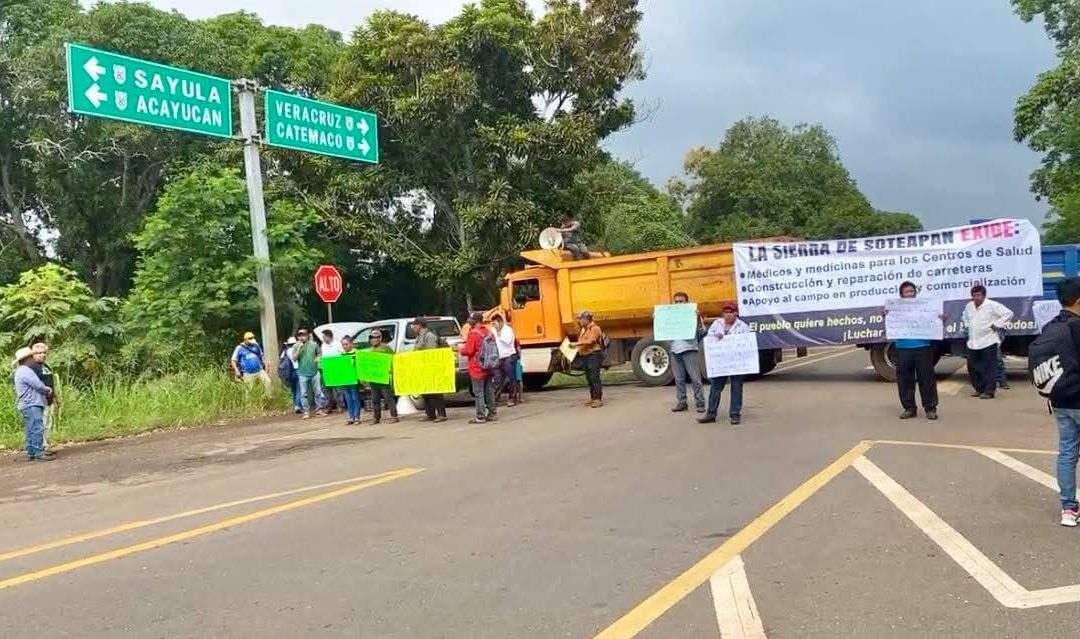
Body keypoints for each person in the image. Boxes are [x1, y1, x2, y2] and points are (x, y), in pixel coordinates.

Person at [1030, 277, 1080, 526]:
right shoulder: (1077, 327)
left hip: (1060, 401)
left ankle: (1068, 508)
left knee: (1067, 452)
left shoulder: (1051, 326)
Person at [889, 281, 940, 421]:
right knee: (905, 380)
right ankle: (909, 408)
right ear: (901, 294)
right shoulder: (895, 308)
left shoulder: (924, 307)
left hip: (923, 347)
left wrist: (940, 319)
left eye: (912, 291)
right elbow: (889, 321)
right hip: (903, 348)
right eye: (907, 292)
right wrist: (885, 314)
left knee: (927, 379)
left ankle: (930, 408)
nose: (910, 294)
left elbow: (934, 320)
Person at [698, 303, 750, 425]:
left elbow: (747, 343)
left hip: (736, 363)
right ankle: (711, 413)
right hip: (720, 363)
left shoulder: (742, 326)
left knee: (736, 387)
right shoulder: (717, 324)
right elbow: (708, 339)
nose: (728, 315)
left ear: (735, 314)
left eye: (730, 312)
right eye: (726, 312)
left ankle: (735, 414)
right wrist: (716, 337)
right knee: (716, 387)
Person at [962, 285, 1014, 399]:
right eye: (974, 295)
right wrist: (967, 325)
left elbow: (1008, 313)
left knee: (989, 367)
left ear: (984, 295)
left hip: (988, 340)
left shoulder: (992, 305)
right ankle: (979, 389)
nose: (976, 297)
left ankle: (989, 391)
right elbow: (964, 317)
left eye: (979, 295)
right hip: (973, 341)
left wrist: (997, 324)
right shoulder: (969, 306)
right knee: (973, 366)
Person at [667, 292, 706, 414]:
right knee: (679, 379)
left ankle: (700, 403)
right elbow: (662, 329)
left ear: (687, 303)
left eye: (681, 301)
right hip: (674, 349)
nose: (679, 303)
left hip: (689, 348)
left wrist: (698, 318)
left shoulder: (693, 314)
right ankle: (682, 402)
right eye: (676, 301)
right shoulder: (669, 316)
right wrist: (658, 319)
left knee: (695, 378)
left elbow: (703, 332)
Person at [14, 346, 53, 461]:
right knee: (37, 427)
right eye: (31, 356)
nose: (33, 358)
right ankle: (38, 452)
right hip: (32, 403)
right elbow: (38, 385)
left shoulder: (19, 371)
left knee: (30, 428)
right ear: (27, 358)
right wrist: (47, 390)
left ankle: (31, 451)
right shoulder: (27, 371)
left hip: (26, 403)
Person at [459, 312, 499, 423]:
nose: (469, 322)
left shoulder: (473, 334)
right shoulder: (489, 332)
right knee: (489, 391)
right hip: (489, 367)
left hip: (477, 368)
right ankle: (492, 413)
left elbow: (468, 351)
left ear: (475, 322)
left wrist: (459, 349)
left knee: (479, 393)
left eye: (470, 321)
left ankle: (480, 416)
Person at [413, 317, 448, 422]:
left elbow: (431, 353)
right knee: (426, 392)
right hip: (423, 369)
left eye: (414, 325)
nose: (413, 327)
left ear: (419, 325)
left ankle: (442, 414)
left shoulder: (429, 336)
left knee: (436, 392)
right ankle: (430, 414)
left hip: (431, 368)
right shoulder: (419, 337)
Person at [291, 329, 326, 418]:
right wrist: (299, 348)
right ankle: (306, 411)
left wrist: (318, 358)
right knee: (303, 393)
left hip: (314, 371)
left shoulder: (314, 344)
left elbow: (319, 354)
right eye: (300, 335)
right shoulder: (295, 346)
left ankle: (319, 410)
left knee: (318, 392)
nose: (302, 337)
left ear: (307, 336)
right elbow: (294, 358)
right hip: (302, 372)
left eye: (303, 335)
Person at [367, 329, 399, 424]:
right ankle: (376, 418)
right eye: (372, 338)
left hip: (384, 377)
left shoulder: (386, 348)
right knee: (375, 399)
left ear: (380, 338)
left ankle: (394, 416)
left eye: (376, 338)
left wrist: (391, 370)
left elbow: (394, 359)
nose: (374, 340)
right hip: (374, 378)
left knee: (388, 397)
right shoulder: (370, 350)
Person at [29, 342, 57, 447]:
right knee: (40, 424)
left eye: (44, 352)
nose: (42, 355)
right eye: (39, 353)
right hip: (39, 400)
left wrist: (56, 397)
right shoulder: (32, 368)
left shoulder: (46, 366)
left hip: (49, 399)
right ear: (33, 354)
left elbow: (51, 382)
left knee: (48, 424)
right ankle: (40, 447)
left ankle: (45, 444)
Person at [576, 310, 604, 408]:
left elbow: (590, 341)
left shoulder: (595, 328)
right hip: (586, 356)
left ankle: (598, 399)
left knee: (594, 377)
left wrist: (576, 344)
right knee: (589, 378)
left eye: (580, 319)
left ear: (586, 319)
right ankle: (593, 398)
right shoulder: (584, 329)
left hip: (593, 355)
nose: (579, 321)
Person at [231, 331, 272, 397]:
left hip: (259, 370)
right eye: (250, 338)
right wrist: (237, 371)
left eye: (252, 338)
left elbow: (261, 356)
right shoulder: (239, 348)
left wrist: (266, 364)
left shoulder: (256, 346)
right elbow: (233, 360)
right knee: (249, 390)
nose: (251, 339)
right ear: (245, 340)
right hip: (248, 372)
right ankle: (250, 404)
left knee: (268, 382)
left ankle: (267, 397)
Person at [491, 314, 518, 407]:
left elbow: (508, 341)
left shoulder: (508, 330)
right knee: (497, 378)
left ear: (500, 322)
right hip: (498, 357)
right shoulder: (493, 330)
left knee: (511, 378)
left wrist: (499, 334)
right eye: (493, 324)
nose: (494, 326)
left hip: (509, 355)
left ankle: (512, 398)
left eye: (495, 324)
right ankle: (494, 398)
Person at [339, 335, 363, 425]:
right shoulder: (341, 354)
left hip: (354, 379)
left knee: (355, 397)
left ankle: (357, 416)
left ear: (351, 344)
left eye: (346, 344)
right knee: (348, 398)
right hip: (345, 380)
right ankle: (351, 416)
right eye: (343, 344)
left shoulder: (357, 353)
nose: (345, 346)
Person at [278, 336, 302, 414]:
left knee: (293, 390)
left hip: (289, 372)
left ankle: (295, 404)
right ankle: (298, 406)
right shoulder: (297, 350)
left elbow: (281, 361)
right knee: (299, 389)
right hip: (298, 370)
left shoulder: (285, 352)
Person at [320, 329, 343, 413]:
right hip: (326, 369)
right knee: (326, 389)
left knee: (338, 389)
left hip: (336, 369)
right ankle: (329, 406)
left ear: (328, 336)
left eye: (323, 336)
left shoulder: (338, 344)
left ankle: (340, 405)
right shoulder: (323, 345)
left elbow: (341, 355)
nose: (322, 338)